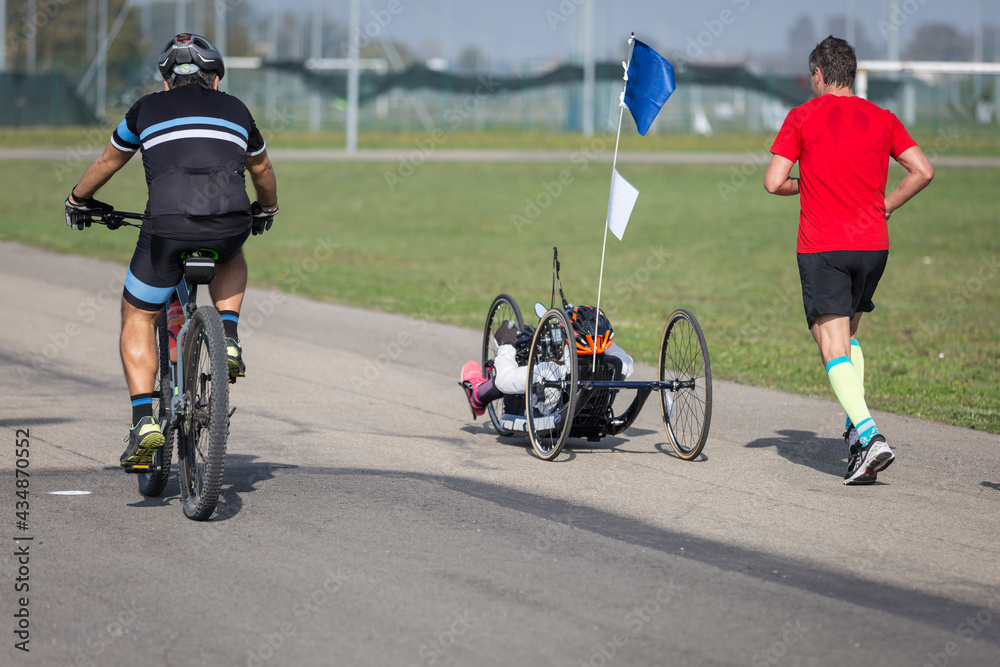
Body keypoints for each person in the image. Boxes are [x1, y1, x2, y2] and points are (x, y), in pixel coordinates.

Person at [64, 33, 279, 469]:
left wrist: (77, 199)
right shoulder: (237, 110)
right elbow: (262, 167)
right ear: (215, 79)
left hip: (166, 226)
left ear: (165, 82)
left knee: (138, 314)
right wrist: (266, 208)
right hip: (228, 221)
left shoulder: (144, 109)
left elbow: (107, 162)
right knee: (232, 253)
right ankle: (230, 337)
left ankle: (144, 420)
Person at [764, 36, 933, 485]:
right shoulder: (883, 117)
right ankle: (856, 437)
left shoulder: (802, 116)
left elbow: (773, 181)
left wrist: (809, 183)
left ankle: (870, 434)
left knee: (830, 345)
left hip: (825, 246)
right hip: (874, 246)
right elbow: (923, 170)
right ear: (852, 74)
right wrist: (887, 204)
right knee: (850, 336)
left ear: (817, 75)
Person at [461, 305, 633, 417]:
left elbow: (504, 380)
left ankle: (477, 393)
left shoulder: (549, 370)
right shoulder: (621, 364)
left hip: (542, 415)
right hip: (594, 417)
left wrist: (506, 346)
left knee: (513, 374)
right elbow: (614, 350)